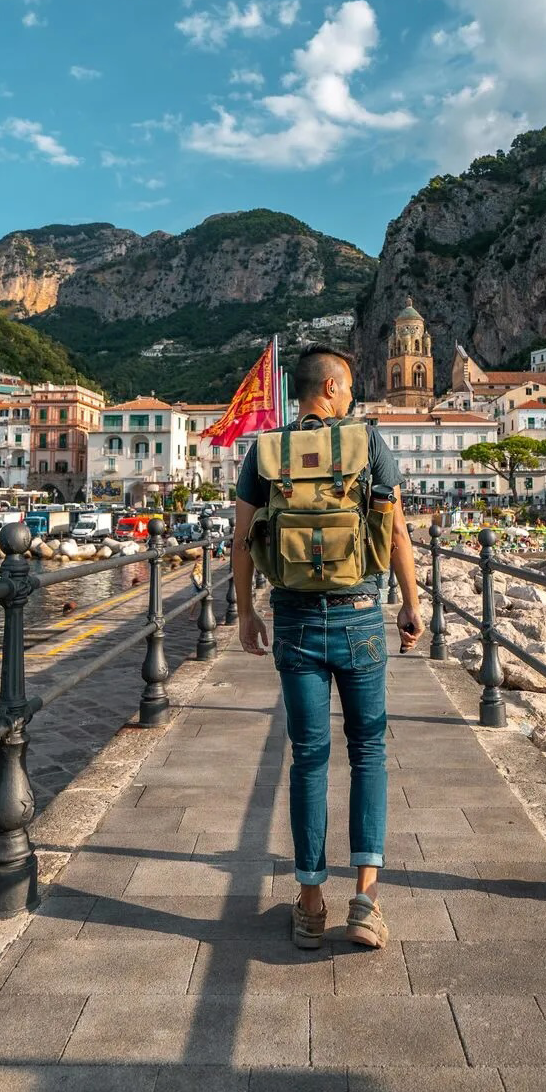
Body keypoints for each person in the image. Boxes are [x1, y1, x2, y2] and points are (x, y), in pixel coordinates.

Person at [234, 344, 422, 953]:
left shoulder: (267, 450)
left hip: (293, 619)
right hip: (360, 616)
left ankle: (311, 904)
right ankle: (365, 902)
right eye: (349, 386)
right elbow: (396, 531)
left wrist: (246, 612)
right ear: (333, 388)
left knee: (309, 758)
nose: (352, 396)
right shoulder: (368, 443)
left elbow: (241, 538)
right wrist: (411, 604)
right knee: (368, 752)